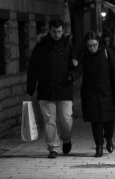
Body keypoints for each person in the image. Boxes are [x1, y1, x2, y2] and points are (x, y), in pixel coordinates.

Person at [26, 18, 81, 159]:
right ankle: (53, 148)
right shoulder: (41, 46)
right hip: (46, 89)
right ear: (49, 31)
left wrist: (71, 76)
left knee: (66, 119)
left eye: (59, 31)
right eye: (54, 31)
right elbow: (33, 68)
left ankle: (66, 138)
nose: (57, 34)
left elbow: (77, 66)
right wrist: (30, 88)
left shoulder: (68, 45)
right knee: (49, 120)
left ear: (63, 31)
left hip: (64, 88)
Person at [80, 31, 115, 157]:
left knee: (109, 120)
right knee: (96, 121)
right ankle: (98, 146)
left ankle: (108, 138)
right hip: (91, 93)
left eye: (94, 45)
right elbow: (79, 70)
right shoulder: (84, 55)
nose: (92, 48)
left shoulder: (107, 53)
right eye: (89, 45)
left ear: (98, 43)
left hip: (107, 92)